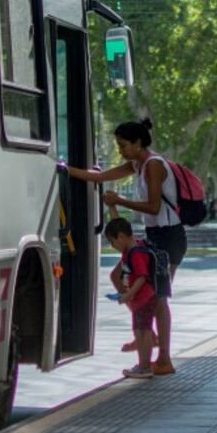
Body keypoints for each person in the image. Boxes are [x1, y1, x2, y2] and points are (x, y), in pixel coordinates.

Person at [58, 117, 185, 375]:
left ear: (138, 143)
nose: (120, 150)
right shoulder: (137, 164)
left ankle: (164, 357)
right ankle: (147, 334)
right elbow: (101, 176)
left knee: (159, 298)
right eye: (118, 145)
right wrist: (65, 170)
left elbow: (154, 206)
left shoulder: (153, 166)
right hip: (155, 234)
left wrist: (120, 200)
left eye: (123, 145)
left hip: (168, 236)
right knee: (118, 276)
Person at [104, 218, 158, 378]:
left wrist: (128, 294)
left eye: (113, 242)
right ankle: (143, 365)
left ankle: (145, 366)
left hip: (145, 298)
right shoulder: (131, 251)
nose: (113, 247)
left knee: (143, 331)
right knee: (139, 330)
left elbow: (142, 277)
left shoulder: (135, 253)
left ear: (121, 237)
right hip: (140, 299)